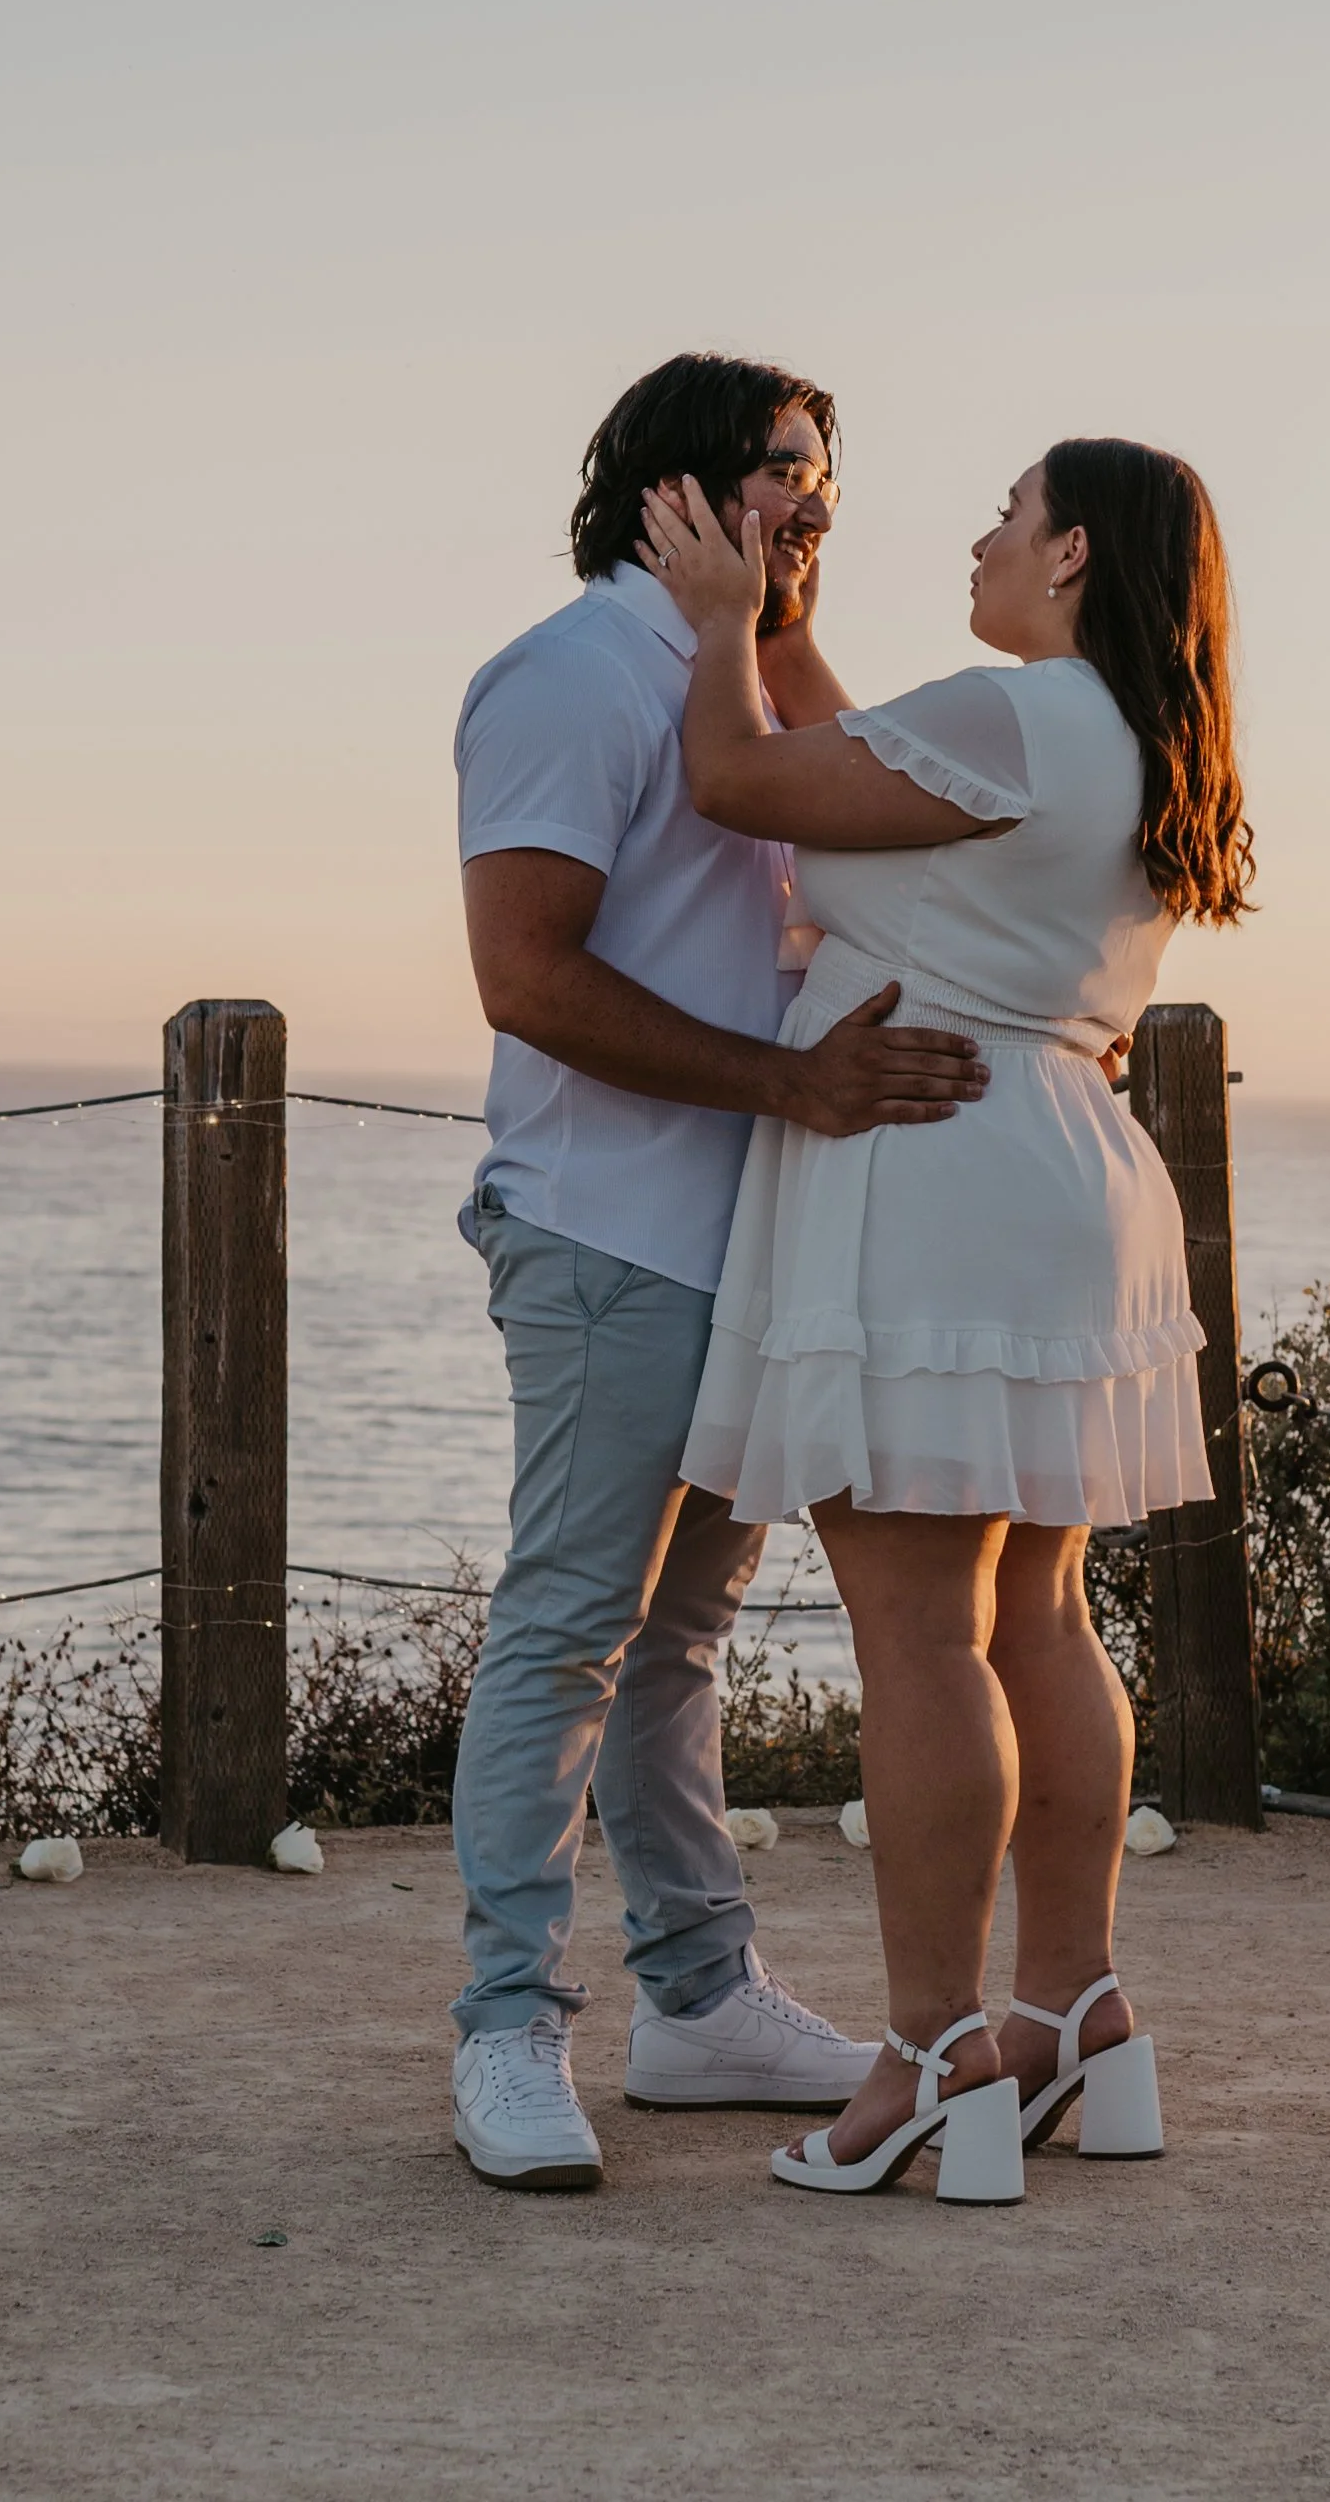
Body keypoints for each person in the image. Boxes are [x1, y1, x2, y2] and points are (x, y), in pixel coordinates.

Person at [639, 435, 1254, 2204]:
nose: (980, 541)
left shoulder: (1016, 713)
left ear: (1069, 557)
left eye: (1007, 514)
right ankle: (1078, 2015)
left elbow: (746, 779)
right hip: (1068, 1170)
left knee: (916, 1633)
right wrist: (786, 618)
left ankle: (925, 2056)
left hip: (933, 1167)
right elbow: (857, 758)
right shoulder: (1131, 734)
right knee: (1039, 1612)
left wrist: (715, 620)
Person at [447, 352, 990, 2191]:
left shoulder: (729, 675)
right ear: (675, 486)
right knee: (569, 1634)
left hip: (751, 1243)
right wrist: (793, 1084)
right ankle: (508, 2029)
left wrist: (755, 622)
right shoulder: (565, 677)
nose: (817, 506)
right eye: (783, 473)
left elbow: (885, 799)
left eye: (831, 481)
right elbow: (526, 975)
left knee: (679, 1646)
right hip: (608, 1235)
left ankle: (698, 2002)